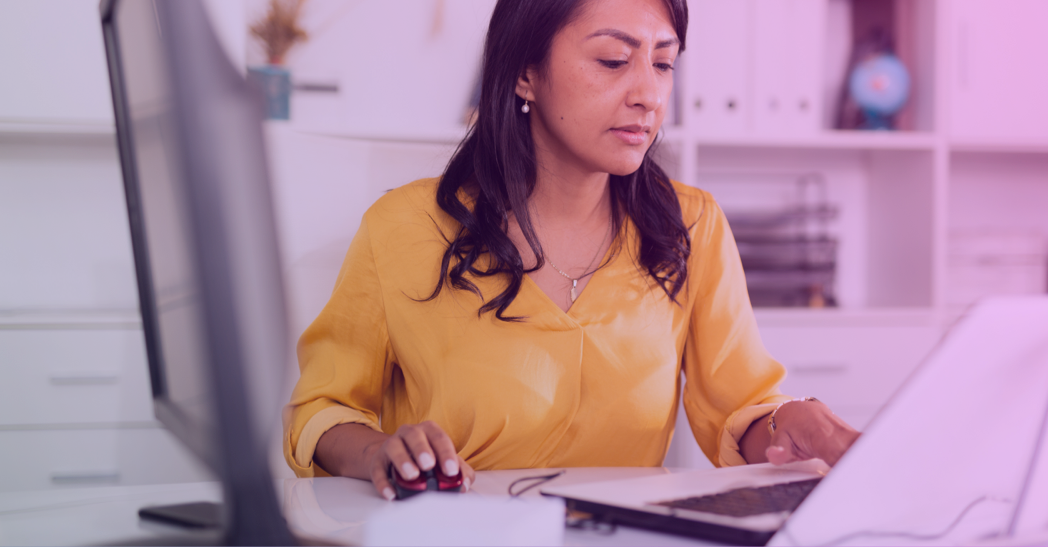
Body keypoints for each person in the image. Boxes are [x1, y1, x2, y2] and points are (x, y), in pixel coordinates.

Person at [282, 0, 860, 501]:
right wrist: (380, 451)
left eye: (663, 63)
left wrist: (788, 423)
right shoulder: (402, 227)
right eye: (613, 60)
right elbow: (321, 409)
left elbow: (739, 411)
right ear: (525, 73)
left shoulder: (691, 226)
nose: (648, 94)